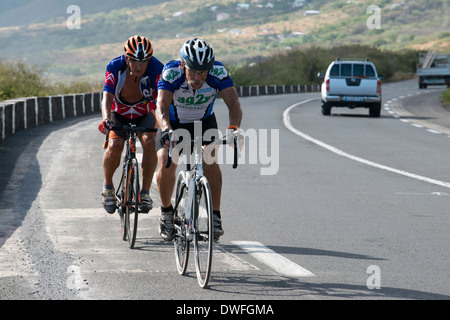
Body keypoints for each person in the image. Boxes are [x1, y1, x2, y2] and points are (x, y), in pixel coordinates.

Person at [155, 38, 242, 241]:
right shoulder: (171, 72)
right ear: (183, 65)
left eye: (203, 72)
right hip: (173, 123)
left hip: (203, 121)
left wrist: (233, 129)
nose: (198, 77)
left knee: (210, 158)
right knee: (166, 161)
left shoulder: (218, 72)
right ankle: (167, 212)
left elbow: (234, 103)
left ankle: (215, 216)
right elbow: (161, 106)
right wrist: (167, 130)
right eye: (193, 71)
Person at [99, 35, 164, 214]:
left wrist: (165, 124)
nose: (139, 67)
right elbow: (107, 96)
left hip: (144, 113)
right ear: (127, 59)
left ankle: (144, 192)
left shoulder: (157, 68)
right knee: (115, 144)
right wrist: (106, 118)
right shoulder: (115, 67)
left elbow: (162, 100)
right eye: (134, 61)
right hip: (118, 112)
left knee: (150, 142)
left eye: (143, 62)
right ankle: (108, 188)